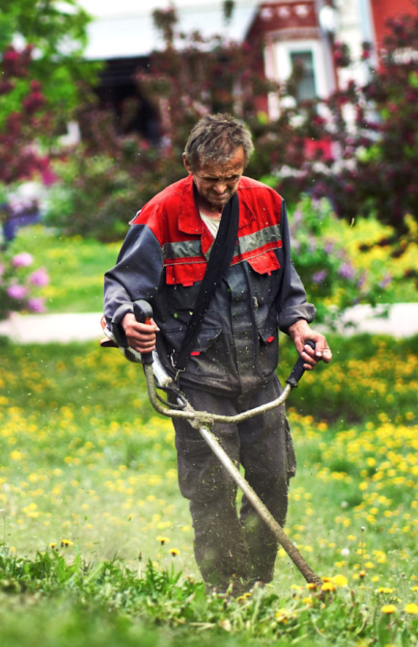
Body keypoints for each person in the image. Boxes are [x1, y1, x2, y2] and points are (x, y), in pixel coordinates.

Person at [103, 113, 331, 593]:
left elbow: (287, 286)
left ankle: (258, 584)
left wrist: (302, 329)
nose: (223, 189)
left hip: (261, 374)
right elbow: (123, 287)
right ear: (189, 164)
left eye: (232, 177)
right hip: (198, 381)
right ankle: (228, 592)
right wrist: (129, 323)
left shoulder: (267, 203)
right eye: (211, 179)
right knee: (213, 491)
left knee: (271, 481)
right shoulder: (160, 215)